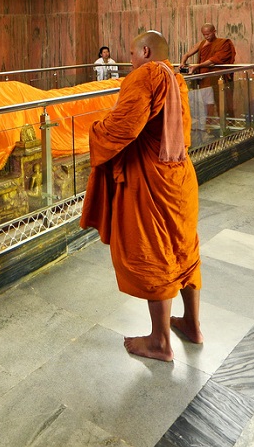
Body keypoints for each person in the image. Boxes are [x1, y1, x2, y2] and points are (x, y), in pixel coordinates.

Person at [81, 30, 201, 362]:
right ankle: (192, 323)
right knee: (184, 246)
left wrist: (96, 129)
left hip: (151, 180)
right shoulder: (176, 78)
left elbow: (125, 127)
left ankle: (160, 341)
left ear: (145, 52)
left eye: (132, 54)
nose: (130, 60)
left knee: (155, 252)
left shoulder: (146, 75)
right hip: (179, 176)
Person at [180, 23, 237, 134]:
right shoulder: (202, 43)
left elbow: (214, 59)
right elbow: (187, 53)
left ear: (214, 31)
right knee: (204, 104)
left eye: (208, 34)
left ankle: (228, 127)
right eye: (204, 34)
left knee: (222, 102)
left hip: (218, 79)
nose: (206, 36)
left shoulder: (223, 43)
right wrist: (183, 62)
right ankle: (207, 127)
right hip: (204, 79)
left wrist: (198, 66)